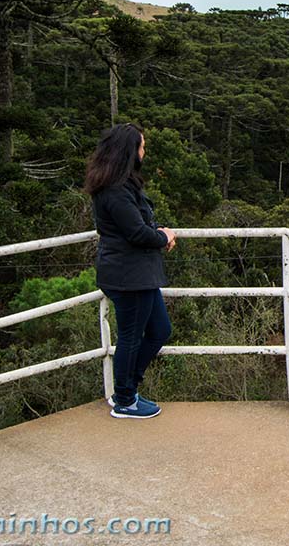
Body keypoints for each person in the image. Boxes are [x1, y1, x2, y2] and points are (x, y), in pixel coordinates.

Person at [84, 123, 177, 419]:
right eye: (142, 146)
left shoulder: (120, 184)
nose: (144, 152)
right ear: (129, 150)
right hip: (128, 276)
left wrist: (158, 231)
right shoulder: (114, 189)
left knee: (160, 330)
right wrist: (164, 237)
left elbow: (137, 225)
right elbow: (136, 233)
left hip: (137, 274)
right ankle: (125, 399)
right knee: (131, 337)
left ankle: (127, 389)